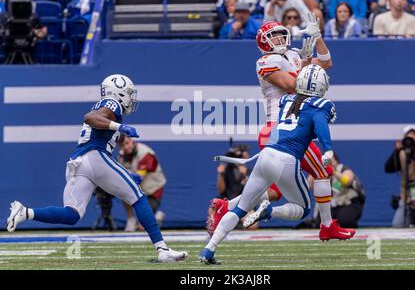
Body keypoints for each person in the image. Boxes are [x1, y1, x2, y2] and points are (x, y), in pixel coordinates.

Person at [6, 74, 188, 263]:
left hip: (80, 161)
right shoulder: (111, 102)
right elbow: (89, 117)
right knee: (138, 197)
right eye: (128, 93)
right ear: (118, 91)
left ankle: (25, 212)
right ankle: (162, 250)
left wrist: (126, 174)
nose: (131, 98)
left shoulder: (108, 107)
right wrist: (121, 126)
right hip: (94, 156)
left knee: (71, 214)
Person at [200, 65, 356, 264]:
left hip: (266, 154)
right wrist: (327, 149)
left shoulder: (286, 100)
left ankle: (208, 250)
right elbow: (320, 125)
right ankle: (270, 212)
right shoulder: (320, 105)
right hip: (286, 159)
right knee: (304, 208)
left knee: (240, 208)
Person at [207, 14, 336, 238]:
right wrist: (305, 62)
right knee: (323, 171)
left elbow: (326, 63)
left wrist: (317, 37)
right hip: (280, 129)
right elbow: (292, 85)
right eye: (274, 36)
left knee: (273, 193)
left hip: (291, 127)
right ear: (264, 41)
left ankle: (225, 207)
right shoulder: (266, 61)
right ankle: (327, 227)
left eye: (280, 34)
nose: (279, 39)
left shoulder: (294, 55)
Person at [118, 136, 167, 232]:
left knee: (143, 227)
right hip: (138, 191)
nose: (126, 147)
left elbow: (138, 178)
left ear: (132, 141)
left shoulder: (145, 153)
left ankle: (157, 218)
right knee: (122, 191)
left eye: (127, 143)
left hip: (152, 191)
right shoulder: (122, 156)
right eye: (123, 145)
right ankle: (130, 219)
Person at [327, 153, 365, 228]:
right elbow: (310, 184)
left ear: (336, 160)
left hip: (350, 203)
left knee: (345, 221)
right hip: (333, 206)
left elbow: (347, 181)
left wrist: (333, 171)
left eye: (331, 160)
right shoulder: (324, 173)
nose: (329, 162)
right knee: (321, 223)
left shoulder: (343, 169)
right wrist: (317, 169)